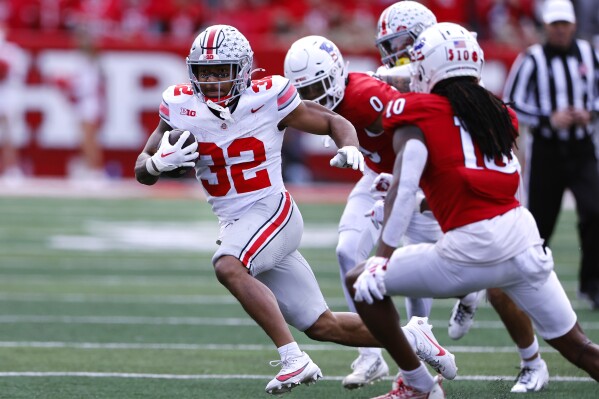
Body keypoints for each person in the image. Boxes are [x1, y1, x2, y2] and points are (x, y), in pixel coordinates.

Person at [134, 24, 455, 396]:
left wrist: (349, 146)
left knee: (227, 265)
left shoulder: (268, 96)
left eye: (222, 70)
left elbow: (334, 120)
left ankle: (292, 359)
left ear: (243, 69)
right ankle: (414, 340)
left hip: (272, 210)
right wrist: (156, 164)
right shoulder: (179, 105)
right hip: (238, 221)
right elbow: (142, 165)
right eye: (205, 72)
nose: (214, 80)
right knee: (323, 325)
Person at [346, 22, 599, 399]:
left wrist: (382, 256)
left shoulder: (416, 110)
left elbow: (407, 179)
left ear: (429, 66)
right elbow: (472, 183)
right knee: (578, 347)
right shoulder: (495, 112)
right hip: (522, 242)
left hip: (467, 251)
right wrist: (418, 202)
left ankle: (417, 385)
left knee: (358, 280)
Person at [374, 1, 550, 393]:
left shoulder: (460, 91)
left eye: (400, 43)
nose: (393, 53)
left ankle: (530, 359)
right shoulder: (415, 83)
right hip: (434, 185)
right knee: (409, 258)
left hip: (476, 199)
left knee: (501, 285)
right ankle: (416, 363)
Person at [283, 29, 449, 390]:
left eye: (316, 88)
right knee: (347, 250)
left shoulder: (367, 97)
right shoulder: (325, 102)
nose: (312, 98)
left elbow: (417, 134)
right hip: (376, 176)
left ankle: (422, 338)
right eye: (306, 92)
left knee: (414, 259)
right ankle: (371, 357)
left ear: (336, 74)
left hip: (411, 178)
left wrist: (411, 182)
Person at [503, 0, 599, 309]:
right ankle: (528, 286)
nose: (560, 30)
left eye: (564, 24)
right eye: (554, 24)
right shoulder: (531, 59)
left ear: (572, 25)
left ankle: (592, 285)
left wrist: (591, 112)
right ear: (546, 26)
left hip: (582, 149)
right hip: (547, 151)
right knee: (539, 223)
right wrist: (548, 118)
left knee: (595, 212)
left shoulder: (589, 54)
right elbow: (511, 102)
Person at [0, 22, 27, 182]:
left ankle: (12, 168)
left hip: (9, 93)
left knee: (10, 132)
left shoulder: (13, 50)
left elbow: (18, 72)